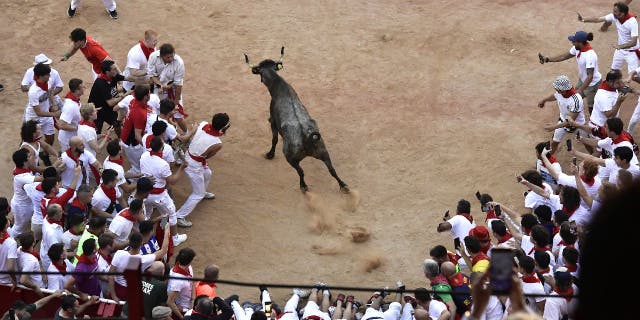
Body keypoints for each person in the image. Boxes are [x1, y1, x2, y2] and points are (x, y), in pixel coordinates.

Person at [176, 113, 229, 226]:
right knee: (197, 194)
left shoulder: (204, 124)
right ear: (222, 127)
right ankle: (179, 216)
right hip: (194, 165)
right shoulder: (217, 143)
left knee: (208, 173)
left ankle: (203, 191)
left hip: (189, 156)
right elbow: (207, 156)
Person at [539, 31, 602, 113]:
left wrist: (580, 89)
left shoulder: (590, 55)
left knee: (592, 107)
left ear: (580, 42)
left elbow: (590, 76)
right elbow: (564, 56)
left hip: (593, 85)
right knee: (572, 97)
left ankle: (594, 124)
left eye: (574, 41)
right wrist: (548, 59)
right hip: (583, 80)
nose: (572, 43)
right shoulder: (577, 49)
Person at [141, 137, 188, 245]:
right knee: (171, 213)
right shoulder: (163, 164)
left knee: (146, 215)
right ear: (161, 148)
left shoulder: (143, 156)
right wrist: (181, 168)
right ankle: (175, 238)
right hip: (159, 195)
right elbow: (172, 181)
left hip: (144, 194)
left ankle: (144, 235)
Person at [579, 2, 639, 73]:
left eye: (615, 11)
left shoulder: (632, 22)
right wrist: (583, 19)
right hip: (620, 50)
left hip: (632, 52)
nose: (613, 13)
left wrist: (621, 46)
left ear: (622, 14)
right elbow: (598, 19)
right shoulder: (614, 16)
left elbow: (634, 42)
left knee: (634, 76)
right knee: (613, 71)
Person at [537, 75, 587, 154]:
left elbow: (570, 121)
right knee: (554, 142)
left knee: (586, 143)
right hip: (563, 120)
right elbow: (555, 96)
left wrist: (553, 127)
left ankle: (594, 156)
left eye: (557, 89)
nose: (556, 90)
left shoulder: (576, 100)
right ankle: (547, 160)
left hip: (578, 125)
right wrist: (544, 100)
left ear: (563, 90)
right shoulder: (560, 93)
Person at [148, 43, 188, 131]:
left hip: (173, 89)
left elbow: (178, 85)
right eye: (168, 57)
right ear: (162, 55)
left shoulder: (179, 63)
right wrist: (161, 85)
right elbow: (151, 75)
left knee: (178, 116)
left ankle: (186, 134)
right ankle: (169, 132)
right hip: (158, 89)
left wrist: (175, 103)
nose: (171, 59)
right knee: (160, 115)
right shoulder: (153, 57)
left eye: (172, 56)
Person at [89, 60, 134, 134]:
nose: (117, 71)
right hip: (97, 110)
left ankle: (121, 139)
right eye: (114, 69)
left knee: (116, 123)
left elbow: (127, 78)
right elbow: (111, 103)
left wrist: (140, 79)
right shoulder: (100, 83)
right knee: (95, 133)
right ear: (107, 72)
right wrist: (125, 95)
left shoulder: (113, 75)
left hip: (107, 107)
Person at [24, 63, 61, 147]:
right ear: (41, 76)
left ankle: (44, 155)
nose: (49, 75)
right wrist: (55, 114)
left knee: (50, 139)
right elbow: (38, 113)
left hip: (47, 117)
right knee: (33, 143)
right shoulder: (33, 92)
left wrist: (54, 103)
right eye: (47, 74)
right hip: (34, 120)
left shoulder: (48, 81)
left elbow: (51, 91)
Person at [120, 85, 152, 175]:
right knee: (139, 167)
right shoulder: (140, 113)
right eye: (149, 93)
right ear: (145, 96)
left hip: (126, 137)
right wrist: (150, 149)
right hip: (131, 144)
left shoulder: (133, 101)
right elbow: (137, 136)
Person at [9, 148, 41, 237]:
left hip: (25, 204)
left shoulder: (22, 168)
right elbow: (41, 178)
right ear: (24, 161)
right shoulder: (22, 177)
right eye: (29, 156)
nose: (32, 157)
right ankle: (7, 238)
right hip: (22, 207)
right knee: (18, 229)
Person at [571, 145, 639, 185]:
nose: (614, 159)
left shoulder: (637, 170)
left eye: (616, 158)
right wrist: (575, 152)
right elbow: (593, 158)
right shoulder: (613, 163)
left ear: (624, 161)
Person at [167, 248, 196, 318]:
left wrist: (192, 300)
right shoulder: (178, 281)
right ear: (190, 261)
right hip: (182, 310)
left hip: (190, 306)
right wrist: (183, 318)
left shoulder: (189, 268)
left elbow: (192, 282)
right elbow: (170, 302)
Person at [57, 78, 85, 151]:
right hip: (68, 141)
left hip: (73, 138)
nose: (84, 88)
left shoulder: (74, 100)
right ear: (77, 90)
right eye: (82, 87)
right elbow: (62, 125)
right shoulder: (70, 106)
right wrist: (78, 129)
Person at [40, 204, 65, 269]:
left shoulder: (47, 217)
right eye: (60, 211)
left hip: (46, 247)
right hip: (51, 259)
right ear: (55, 215)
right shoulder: (52, 233)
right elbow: (57, 252)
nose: (63, 212)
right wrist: (72, 253)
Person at [0, 215, 18, 289]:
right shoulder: (11, 243)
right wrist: (14, 280)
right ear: (6, 225)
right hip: (6, 281)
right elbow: (10, 268)